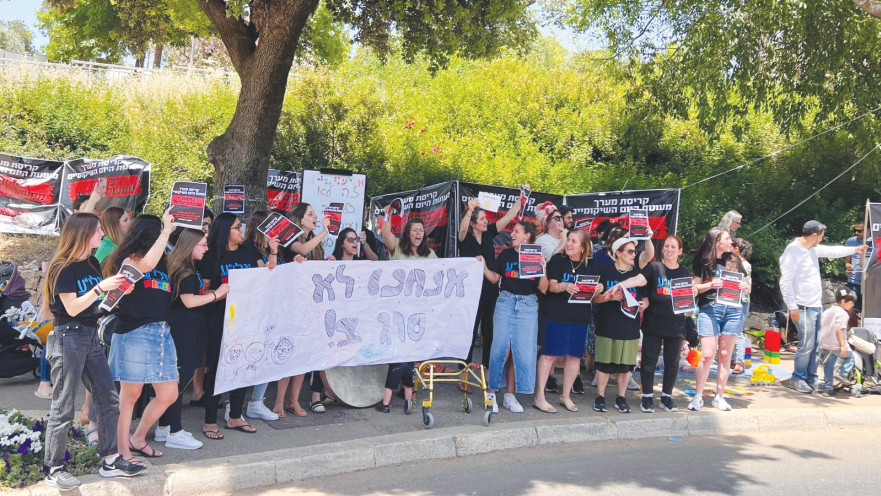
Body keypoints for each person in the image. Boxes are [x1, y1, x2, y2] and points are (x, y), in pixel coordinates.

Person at [41, 213, 145, 490]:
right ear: (83, 233)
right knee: (63, 406)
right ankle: (53, 468)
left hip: (90, 336)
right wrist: (101, 287)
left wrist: (118, 293)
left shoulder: (92, 262)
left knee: (108, 398)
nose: (102, 234)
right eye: (98, 230)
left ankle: (111, 459)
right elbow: (73, 308)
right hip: (68, 338)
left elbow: (95, 306)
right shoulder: (62, 268)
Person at [103, 209, 181, 461]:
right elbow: (143, 265)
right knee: (130, 397)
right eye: (158, 230)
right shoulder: (127, 259)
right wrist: (167, 231)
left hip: (161, 331)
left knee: (169, 393)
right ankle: (122, 451)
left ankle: (137, 438)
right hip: (134, 331)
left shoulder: (163, 261)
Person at [200, 213, 276, 435]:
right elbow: (202, 290)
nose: (241, 231)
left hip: (247, 319)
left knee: (243, 365)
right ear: (225, 231)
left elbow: (268, 275)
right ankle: (209, 420)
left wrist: (273, 252)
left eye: (241, 226)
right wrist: (220, 293)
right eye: (236, 227)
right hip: (219, 318)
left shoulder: (249, 251)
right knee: (215, 368)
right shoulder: (210, 256)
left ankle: (235, 416)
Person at [155, 228, 228, 447]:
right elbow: (188, 301)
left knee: (177, 378)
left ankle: (164, 427)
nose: (206, 248)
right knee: (178, 379)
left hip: (188, 327)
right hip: (182, 329)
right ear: (190, 245)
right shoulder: (184, 270)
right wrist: (218, 293)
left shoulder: (187, 268)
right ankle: (175, 432)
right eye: (203, 244)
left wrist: (215, 294)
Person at [779, 220, 867, 393]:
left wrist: (855, 249)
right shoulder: (793, 251)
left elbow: (832, 250)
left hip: (814, 304)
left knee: (816, 343)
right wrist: (792, 306)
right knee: (806, 343)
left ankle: (811, 377)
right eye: (820, 236)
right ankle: (798, 377)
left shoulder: (812, 249)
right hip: (801, 305)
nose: (821, 240)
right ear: (813, 235)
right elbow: (785, 281)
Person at [618, 235, 695, 413]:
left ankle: (666, 397)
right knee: (649, 362)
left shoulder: (684, 272)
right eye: (666, 246)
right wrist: (621, 285)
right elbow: (639, 280)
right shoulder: (654, 267)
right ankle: (647, 397)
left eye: (673, 247)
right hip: (654, 323)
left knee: (672, 363)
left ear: (680, 251)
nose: (669, 249)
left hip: (676, 326)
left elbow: (688, 303)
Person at [478, 221, 548, 413]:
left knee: (520, 350)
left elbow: (543, 288)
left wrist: (543, 267)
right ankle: (491, 393)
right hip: (506, 302)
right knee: (502, 347)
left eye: (517, 231)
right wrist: (483, 266)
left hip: (527, 306)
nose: (512, 234)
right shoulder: (506, 254)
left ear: (527, 236)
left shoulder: (536, 256)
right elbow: (494, 278)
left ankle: (510, 395)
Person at [533, 230, 601, 413]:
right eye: (568, 240)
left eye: (573, 241)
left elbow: (595, 292)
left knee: (574, 357)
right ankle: (540, 397)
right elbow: (551, 287)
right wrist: (563, 286)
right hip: (555, 314)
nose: (568, 244)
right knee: (548, 355)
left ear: (583, 247)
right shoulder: (558, 260)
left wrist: (599, 288)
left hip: (579, 317)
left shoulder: (592, 264)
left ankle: (566, 396)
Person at [458, 189, 524, 375]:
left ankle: (487, 370)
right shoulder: (465, 238)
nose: (486, 221)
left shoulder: (488, 234)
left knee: (489, 329)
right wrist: (470, 209)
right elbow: (462, 230)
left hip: (490, 288)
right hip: (470, 290)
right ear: (473, 223)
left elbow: (509, 217)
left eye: (486, 218)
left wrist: (520, 199)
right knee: (470, 331)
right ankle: (464, 370)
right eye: (482, 219)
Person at [376, 214, 438, 413]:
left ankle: (405, 394)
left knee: (410, 354)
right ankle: (401, 393)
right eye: (414, 230)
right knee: (398, 352)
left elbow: (443, 272)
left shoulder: (430, 255)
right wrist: (386, 216)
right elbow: (386, 235)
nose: (418, 233)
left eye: (421, 230)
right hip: (398, 311)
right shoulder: (398, 250)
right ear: (408, 234)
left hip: (418, 312)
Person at [276, 203, 332, 415]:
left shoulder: (314, 242)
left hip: (310, 303)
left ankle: (294, 400)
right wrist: (325, 231)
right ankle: (279, 402)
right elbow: (302, 250)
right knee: (289, 352)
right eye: (311, 213)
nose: (315, 216)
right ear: (299, 219)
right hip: (290, 303)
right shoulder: (291, 237)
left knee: (303, 354)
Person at [688, 227, 749, 411]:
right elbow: (694, 288)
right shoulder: (701, 260)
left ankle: (719, 396)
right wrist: (710, 285)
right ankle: (698, 396)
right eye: (727, 238)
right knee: (707, 354)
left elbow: (747, 284)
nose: (731, 242)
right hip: (710, 309)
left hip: (733, 309)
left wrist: (745, 287)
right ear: (716, 241)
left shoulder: (735, 260)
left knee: (725, 355)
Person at [591, 237, 647, 413]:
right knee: (603, 363)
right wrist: (607, 297)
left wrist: (645, 305)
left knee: (625, 365)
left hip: (629, 324)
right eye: (629, 251)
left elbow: (644, 298)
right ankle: (600, 396)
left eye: (634, 252)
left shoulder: (637, 273)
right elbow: (594, 299)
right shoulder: (604, 271)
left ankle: (621, 397)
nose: (633, 255)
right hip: (607, 322)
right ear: (618, 253)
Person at [237, 210, 282, 422]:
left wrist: (273, 252)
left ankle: (256, 401)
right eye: (271, 229)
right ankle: (234, 404)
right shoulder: (248, 250)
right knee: (244, 357)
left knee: (264, 356)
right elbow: (267, 275)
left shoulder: (267, 249)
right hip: (250, 313)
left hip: (268, 311)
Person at [818, 288, 857, 397]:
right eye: (851, 302)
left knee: (828, 366)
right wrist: (843, 345)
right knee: (850, 357)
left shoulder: (827, 311)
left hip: (825, 343)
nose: (853, 304)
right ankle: (842, 374)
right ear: (843, 302)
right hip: (836, 343)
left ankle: (828, 388)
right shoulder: (843, 314)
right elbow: (840, 329)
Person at [731, 238, 753, 374]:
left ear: (737, 249)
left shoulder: (744, 264)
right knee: (731, 330)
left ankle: (739, 361)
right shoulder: (733, 262)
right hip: (733, 298)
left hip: (741, 300)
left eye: (732, 245)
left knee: (738, 331)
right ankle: (733, 358)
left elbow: (747, 286)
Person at [845, 221, 868, 312]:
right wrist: (848, 266)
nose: (856, 233)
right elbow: (847, 261)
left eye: (859, 231)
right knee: (852, 310)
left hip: (870, 284)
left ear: (868, 230)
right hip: (854, 282)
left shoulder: (875, 242)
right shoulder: (851, 241)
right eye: (855, 230)